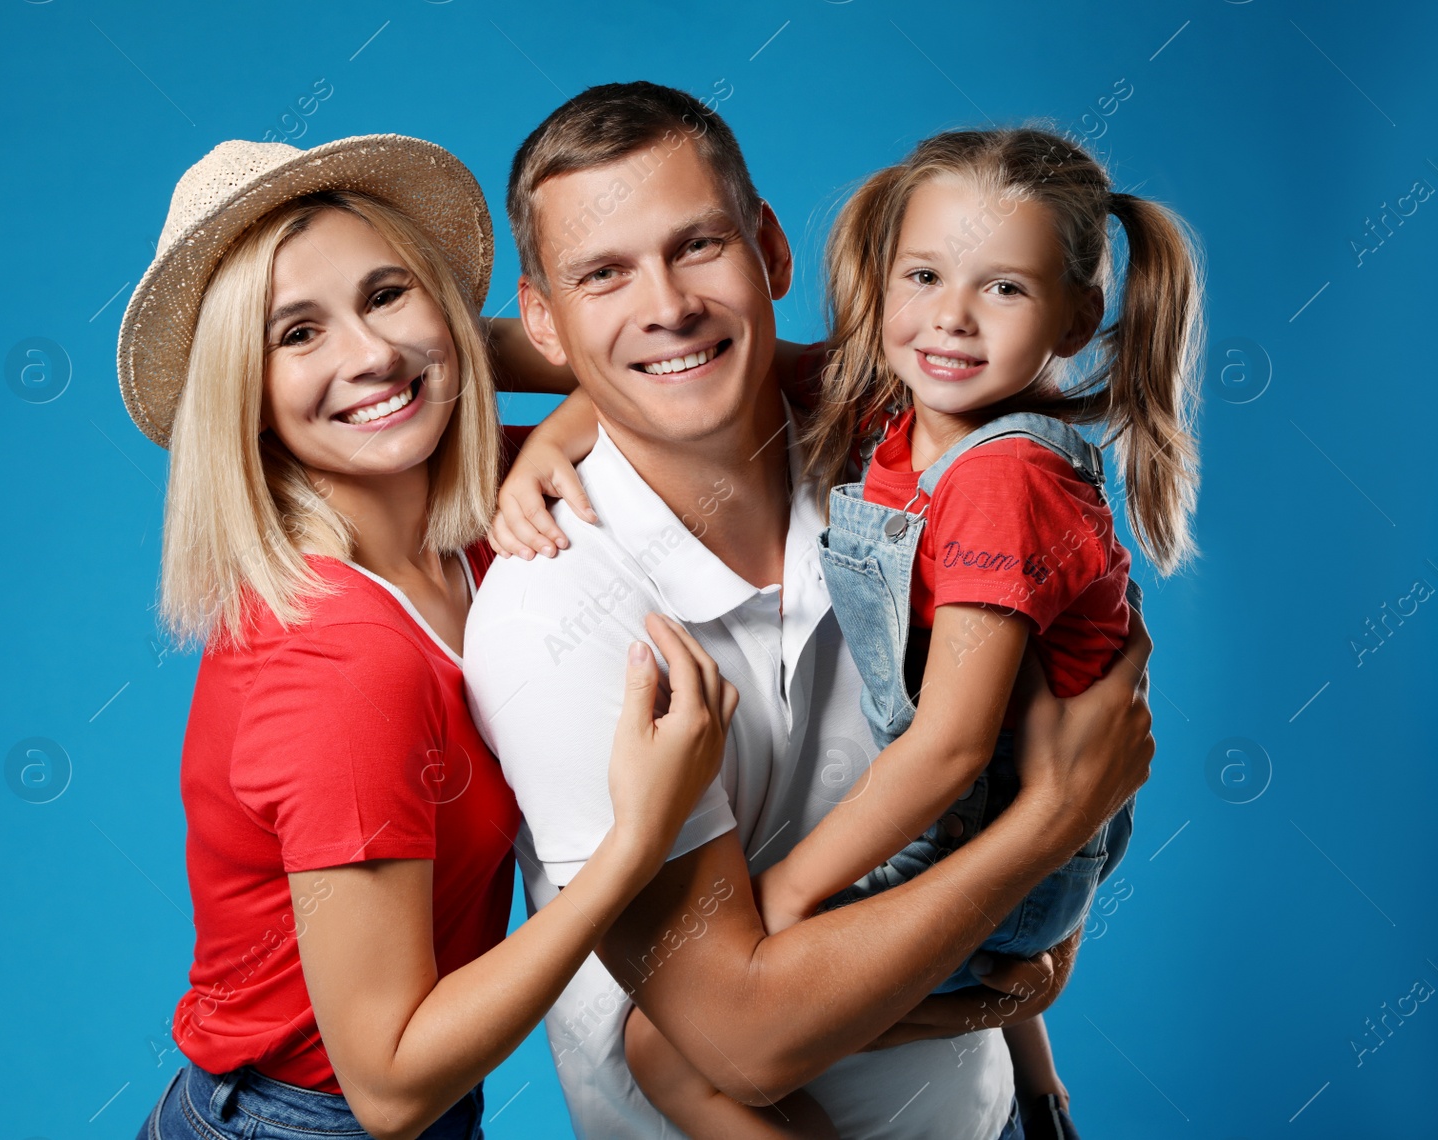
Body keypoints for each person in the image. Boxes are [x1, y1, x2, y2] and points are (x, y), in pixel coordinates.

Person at [464, 82, 1154, 1140]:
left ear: (772, 253)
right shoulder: (550, 610)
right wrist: (1056, 819)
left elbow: (701, 352)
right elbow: (742, 1041)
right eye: (603, 272)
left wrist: (1019, 1017)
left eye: (697, 246)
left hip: (984, 1115)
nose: (666, 302)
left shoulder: (887, 443)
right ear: (546, 318)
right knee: (689, 1048)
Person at [118, 133, 737, 1140]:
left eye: (386, 294)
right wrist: (634, 844)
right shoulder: (342, 662)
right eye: (295, 334)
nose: (368, 355)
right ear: (246, 394)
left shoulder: (464, 528)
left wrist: (548, 416)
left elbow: (652, 356)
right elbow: (391, 1085)